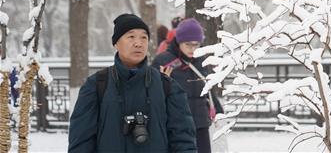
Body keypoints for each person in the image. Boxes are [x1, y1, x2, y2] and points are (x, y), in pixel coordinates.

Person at [68, 13, 197, 153]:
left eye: (144, 37)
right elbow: (81, 141)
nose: (138, 43)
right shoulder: (97, 85)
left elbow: (183, 140)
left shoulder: (167, 86)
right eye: (131, 37)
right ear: (116, 43)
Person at [151, 18, 223, 153]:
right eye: (188, 44)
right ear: (179, 41)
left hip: (201, 124)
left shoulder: (201, 60)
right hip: (176, 126)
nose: (193, 49)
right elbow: (152, 93)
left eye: (196, 44)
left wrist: (218, 111)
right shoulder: (163, 61)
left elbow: (207, 89)